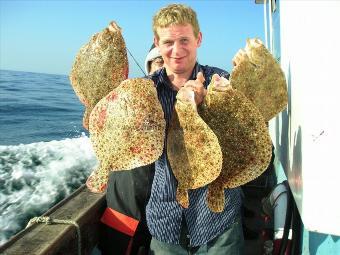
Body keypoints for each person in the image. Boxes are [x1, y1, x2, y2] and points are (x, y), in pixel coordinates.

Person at [145, 4, 244, 254]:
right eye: (168, 42)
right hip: (165, 217)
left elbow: (242, 139)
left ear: (198, 39)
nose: (176, 50)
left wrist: (205, 107)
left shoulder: (221, 83)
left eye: (184, 40)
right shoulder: (144, 92)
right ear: (157, 42)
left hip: (218, 216)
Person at [98, 46, 165, 255]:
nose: (163, 66)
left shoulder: (182, 97)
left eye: (167, 61)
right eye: (158, 61)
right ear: (149, 65)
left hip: (160, 196)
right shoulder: (129, 91)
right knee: (121, 241)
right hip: (127, 188)